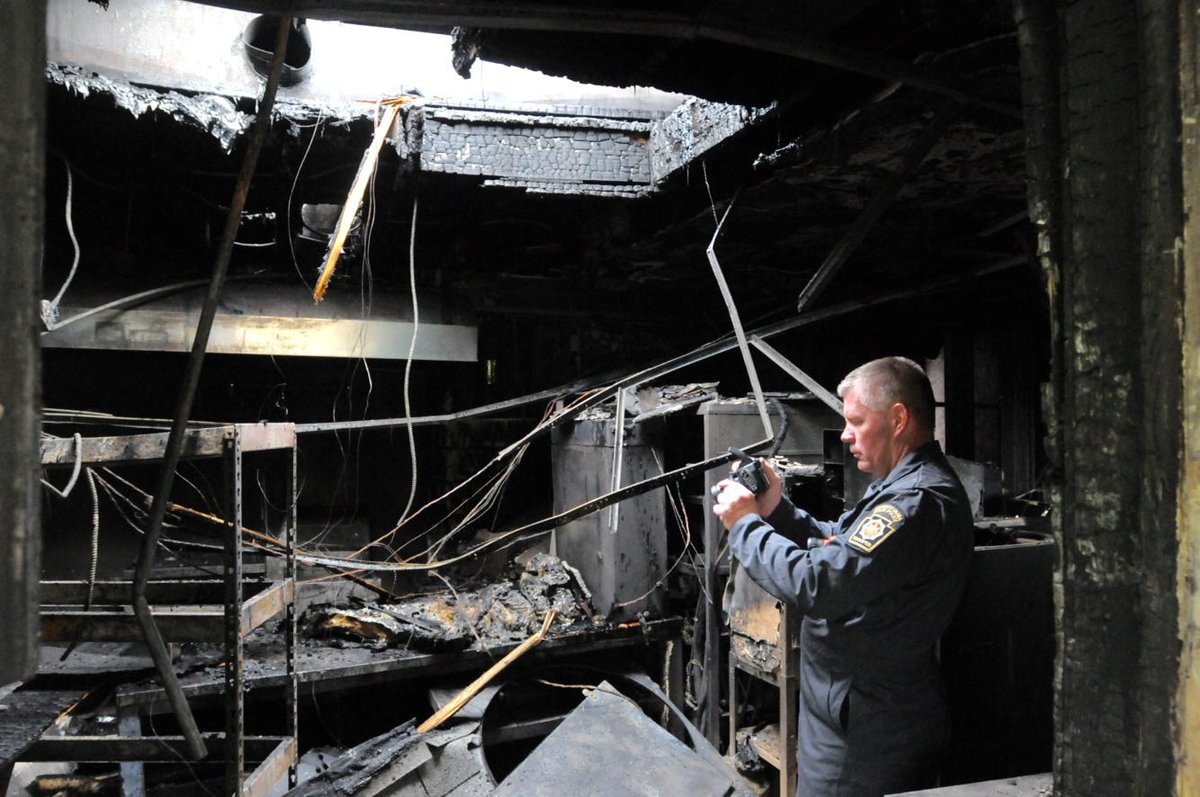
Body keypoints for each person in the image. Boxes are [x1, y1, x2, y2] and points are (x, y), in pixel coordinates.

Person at [713, 356, 973, 797]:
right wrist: (778, 510)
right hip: (854, 707)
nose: (846, 435)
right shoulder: (898, 486)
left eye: (855, 421)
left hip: (864, 727)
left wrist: (744, 525)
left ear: (897, 419)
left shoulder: (915, 503)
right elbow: (843, 543)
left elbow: (818, 584)